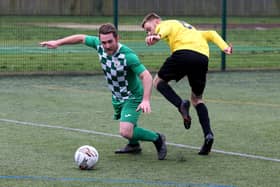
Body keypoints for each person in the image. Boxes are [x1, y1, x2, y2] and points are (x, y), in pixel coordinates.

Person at [40, 23, 167, 160]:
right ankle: (134, 145)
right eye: (103, 42)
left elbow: (146, 76)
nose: (106, 46)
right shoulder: (99, 45)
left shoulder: (128, 56)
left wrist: (146, 99)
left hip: (132, 96)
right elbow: (81, 38)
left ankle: (157, 138)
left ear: (117, 38)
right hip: (117, 96)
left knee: (125, 131)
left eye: (110, 42)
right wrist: (58, 43)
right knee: (129, 124)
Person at [141, 13, 233, 155]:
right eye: (147, 31)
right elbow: (212, 34)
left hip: (183, 54)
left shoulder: (166, 23)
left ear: (157, 21)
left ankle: (180, 104)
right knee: (197, 99)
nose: (149, 32)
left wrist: (157, 36)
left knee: (158, 82)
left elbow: (163, 29)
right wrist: (225, 47)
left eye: (149, 28)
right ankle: (208, 135)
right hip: (202, 58)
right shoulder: (192, 30)